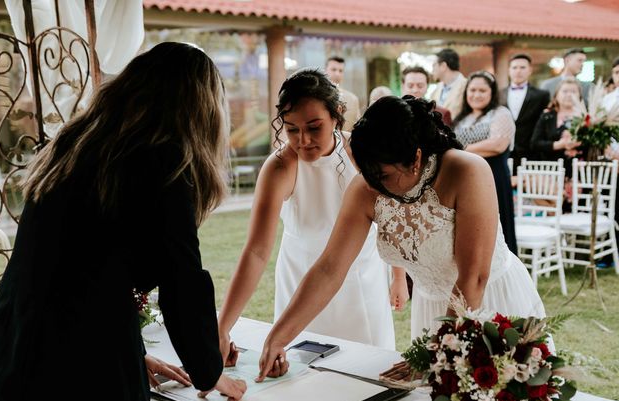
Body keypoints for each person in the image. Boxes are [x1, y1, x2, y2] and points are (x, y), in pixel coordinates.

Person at [0, 42, 246, 401]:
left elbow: (76, 269)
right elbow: (183, 283)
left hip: (9, 360)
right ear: (201, 110)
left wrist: (131, 351)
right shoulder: (165, 163)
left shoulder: (75, 146)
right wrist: (208, 371)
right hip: (73, 387)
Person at [255, 95, 545, 379]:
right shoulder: (367, 186)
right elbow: (330, 268)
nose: (371, 185)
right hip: (432, 309)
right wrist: (279, 337)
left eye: (381, 175)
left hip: (488, 302)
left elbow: (473, 278)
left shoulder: (467, 170)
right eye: (365, 171)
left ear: (415, 159)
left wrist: (434, 354)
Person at [218, 69, 403, 369]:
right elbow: (256, 250)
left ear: (336, 116)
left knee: (366, 368)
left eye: (313, 128)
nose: (302, 140)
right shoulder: (279, 167)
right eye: (292, 129)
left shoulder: (361, 154)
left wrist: (397, 278)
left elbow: (389, 222)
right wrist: (223, 326)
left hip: (360, 275)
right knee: (304, 370)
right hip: (300, 275)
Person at [454, 71, 518, 255]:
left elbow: (498, 144)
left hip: (493, 178)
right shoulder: (461, 118)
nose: (476, 94)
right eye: (472, 90)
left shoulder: (501, 113)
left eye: (482, 90)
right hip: (465, 181)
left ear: (492, 93)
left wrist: (461, 149)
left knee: (496, 229)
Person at [530, 78, 584, 211]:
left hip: (575, 173)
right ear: (557, 95)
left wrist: (579, 142)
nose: (568, 95)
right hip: (549, 172)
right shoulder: (547, 116)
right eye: (565, 91)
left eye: (573, 91)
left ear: (579, 96)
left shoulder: (586, 118)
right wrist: (560, 144)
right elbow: (535, 143)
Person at [498, 53, 551, 174]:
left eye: (522, 67)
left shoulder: (541, 95)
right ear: (509, 70)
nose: (518, 71)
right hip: (504, 150)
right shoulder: (498, 94)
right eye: (514, 67)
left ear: (530, 70)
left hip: (531, 152)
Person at [430, 48, 468, 120]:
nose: (432, 70)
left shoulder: (467, 86)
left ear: (443, 66)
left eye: (434, 65)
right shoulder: (437, 88)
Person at [325, 56, 361, 132]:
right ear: (326, 71)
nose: (337, 74)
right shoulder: (317, 97)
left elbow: (358, 125)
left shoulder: (353, 99)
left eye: (340, 71)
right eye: (333, 69)